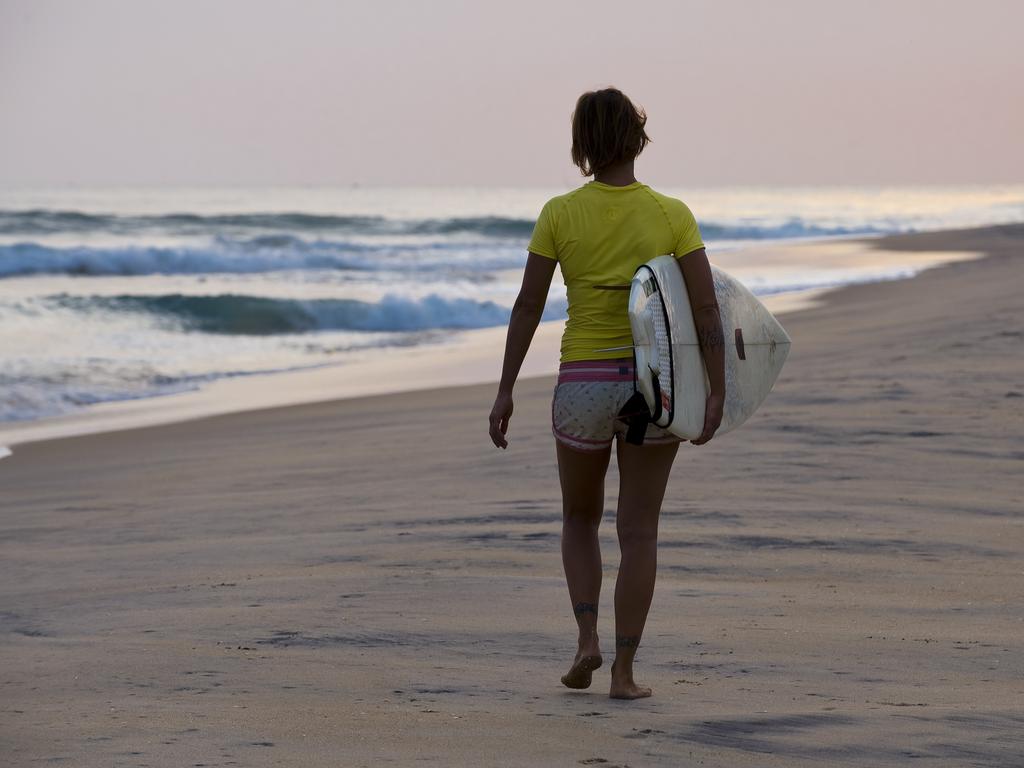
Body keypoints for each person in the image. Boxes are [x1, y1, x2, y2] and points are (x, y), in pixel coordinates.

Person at [488, 87, 725, 700]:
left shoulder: (559, 213)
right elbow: (705, 307)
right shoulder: (672, 214)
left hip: (583, 384)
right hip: (654, 386)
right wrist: (717, 391)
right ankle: (623, 673)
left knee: (579, 517)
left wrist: (505, 390)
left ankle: (586, 638)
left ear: (582, 145)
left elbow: (527, 306)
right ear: (638, 136)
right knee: (639, 529)